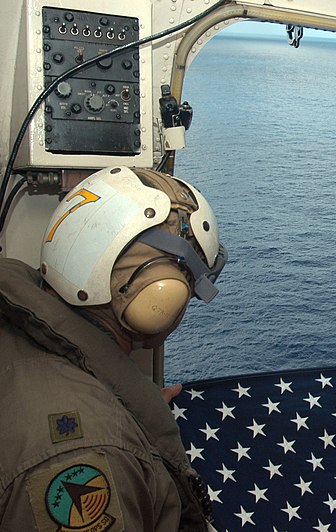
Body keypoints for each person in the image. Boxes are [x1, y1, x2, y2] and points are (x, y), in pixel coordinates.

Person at [0, 166, 226, 530]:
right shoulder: (90, 455)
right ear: (161, 296)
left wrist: (132, 416)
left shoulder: (16, 319)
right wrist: (112, 434)